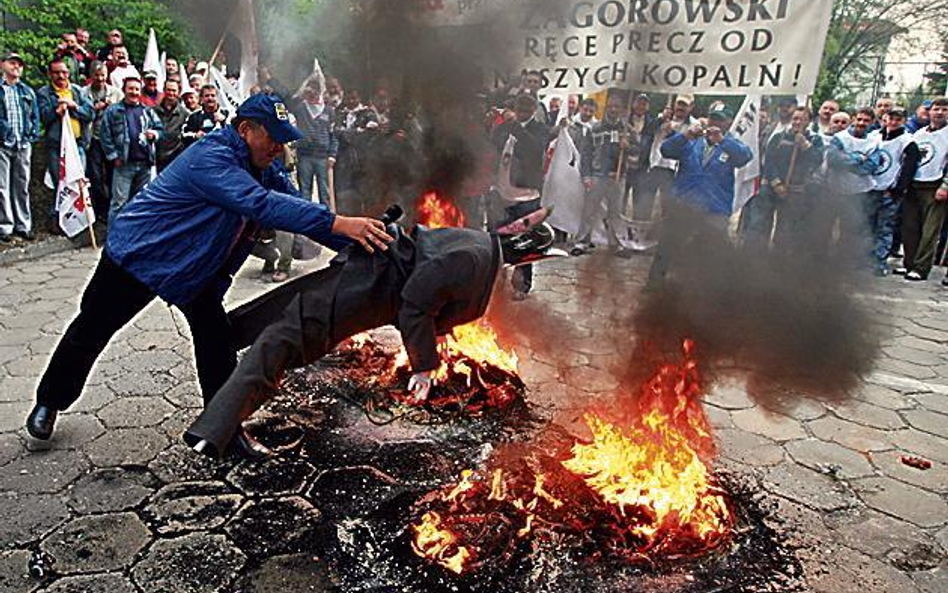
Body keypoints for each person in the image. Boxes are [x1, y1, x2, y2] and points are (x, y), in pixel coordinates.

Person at [24, 94, 393, 458]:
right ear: (247, 130)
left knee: (215, 342)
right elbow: (260, 204)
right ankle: (49, 402)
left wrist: (355, 242)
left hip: (194, 270)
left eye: (285, 139)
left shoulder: (265, 167)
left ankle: (224, 431)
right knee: (91, 330)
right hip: (140, 256)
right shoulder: (211, 157)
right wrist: (340, 222)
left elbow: (298, 207)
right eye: (274, 138)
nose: (280, 148)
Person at [183, 219, 558, 458]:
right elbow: (415, 303)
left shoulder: (479, 244)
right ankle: (213, 433)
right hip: (360, 292)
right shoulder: (474, 259)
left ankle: (220, 338)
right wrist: (425, 366)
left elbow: (430, 288)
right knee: (277, 346)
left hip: (362, 280)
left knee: (278, 315)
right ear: (528, 257)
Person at [647, 104, 753, 286]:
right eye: (713, 118)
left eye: (720, 119)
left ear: (727, 122)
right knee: (667, 244)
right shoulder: (692, 140)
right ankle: (654, 283)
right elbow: (666, 150)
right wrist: (686, 135)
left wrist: (722, 141)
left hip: (715, 207)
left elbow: (745, 157)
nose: (715, 122)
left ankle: (707, 292)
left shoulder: (732, 142)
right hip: (684, 203)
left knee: (713, 252)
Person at [491, 93, 549, 299]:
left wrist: (515, 126)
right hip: (501, 193)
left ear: (534, 109)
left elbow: (533, 151)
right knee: (496, 238)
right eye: (519, 108)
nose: (523, 112)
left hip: (526, 194)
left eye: (527, 109)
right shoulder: (503, 127)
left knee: (524, 240)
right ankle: (496, 278)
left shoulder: (540, 130)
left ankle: (522, 284)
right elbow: (492, 146)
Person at [745, 106, 824, 251]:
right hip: (770, 187)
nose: (798, 122)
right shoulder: (778, 137)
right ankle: (754, 258)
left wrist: (805, 145)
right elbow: (769, 160)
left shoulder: (815, 139)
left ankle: (778, 261)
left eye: (802, 119)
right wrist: (776, 183)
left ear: (809, 122)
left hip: (795, 190)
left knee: (786, 230)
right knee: (759, 224)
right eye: (795, 118)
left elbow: (816, 160)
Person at [819, 107, 882, 267]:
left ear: (872, 122)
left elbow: (871, 166)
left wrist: (849, 161)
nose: (861, 123)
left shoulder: (875, 141)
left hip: (859, 192)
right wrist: (858, 159)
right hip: (834, 189)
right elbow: (834, 160)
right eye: (859, 119)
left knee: (850, 228)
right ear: (854, 119)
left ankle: (842, 263)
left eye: (866, 120)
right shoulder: (840, 138)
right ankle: (820, 260)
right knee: (824, 227)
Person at [575, 93, 635, 256]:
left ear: (622, 110)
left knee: (615, 212)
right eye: (611, 106)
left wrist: (628, 147)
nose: (613, 110)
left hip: (618, 176)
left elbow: (638, 154)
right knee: (589, 211)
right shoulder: (595, 128)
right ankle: (582, 242)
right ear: (606, 107)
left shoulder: (627, 130)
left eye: (617, 107)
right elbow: (586, 154)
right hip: (597, 175)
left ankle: (617, 243)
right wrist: (586, 175)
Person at [100, 77, 163, 223]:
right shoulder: (113, 111)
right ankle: (114, 240)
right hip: (124, 164)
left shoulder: (148, 111)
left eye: (136, 89)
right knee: (118, 204)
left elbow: (160, 129)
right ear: (124, 90)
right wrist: (113, 156)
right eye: (130, 88)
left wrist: (155, 134)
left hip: (145, 164)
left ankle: (134, 239)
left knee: (140, 204)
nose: (134, 92)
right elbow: (105, 135)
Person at [36, 57, 94, 216]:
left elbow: (90, 114)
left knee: (79, 183)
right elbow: (42, 117)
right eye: (56, 73)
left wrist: (75, 107)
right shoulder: (44, 93)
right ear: (50, 74)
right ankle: (58, 219)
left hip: (77, 145)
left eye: (63, 72)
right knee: (60, 184)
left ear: (68, 73)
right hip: (56, 147)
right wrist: (57, 111)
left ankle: (80, 220)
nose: (60, 76)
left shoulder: (78, 91)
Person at [900, 97, 948, 281]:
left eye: (944, 109)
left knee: (930, 231)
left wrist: (945, 186)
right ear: (929, 111)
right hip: (915, 184)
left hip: (935, 186)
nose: (940, 112)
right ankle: (909, 264)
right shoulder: (919, 134)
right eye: (936, 109)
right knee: (910, 227)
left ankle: (921, 267)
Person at [868, 108, 916, 276]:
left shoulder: (907, 141)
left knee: (885, 228)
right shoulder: (874, 136)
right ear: (884, 119)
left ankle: (879, 263)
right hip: (871, 188)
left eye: (898, 119)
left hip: (889, 191)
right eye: (890, 118)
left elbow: (909, 168)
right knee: (867, 227)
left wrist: (897, 190)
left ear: (903, 121)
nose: (893, 122)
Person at [0, 52, 40, 243]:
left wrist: (32, 136)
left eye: (20, 64)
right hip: (2, 145)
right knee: (2, 187)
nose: (17, 67)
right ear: (2, 65)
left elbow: (35, 117)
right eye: (12, 63)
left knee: (22, 186)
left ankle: (24, 226)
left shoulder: (27, 91)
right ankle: (5, 227)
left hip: (23, 144)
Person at [81, 61, 122, 219]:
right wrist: (94, 108)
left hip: (112, 140)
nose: (100, 78)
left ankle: (112, 208)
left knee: (113, 175)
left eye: (103, 75)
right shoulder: (84, 93)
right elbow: (80, 112)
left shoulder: (116, 93)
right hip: (93, 139)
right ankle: (100, 209)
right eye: (97, 75)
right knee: (95, 176)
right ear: (91, 76)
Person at [290, 83, 337, 206]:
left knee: (324, 191)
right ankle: (306, 219)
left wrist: (332, 154)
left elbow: (333, 135)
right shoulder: (300, 108)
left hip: (322, 156)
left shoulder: (329, 111)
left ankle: (325, 219)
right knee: (305, 190)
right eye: (309, 91)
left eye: (315, 91)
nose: (312, 94)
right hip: (304, 155)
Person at [155, 79, 190, 171]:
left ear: (178, 92)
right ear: (164, 90)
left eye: (174, 90)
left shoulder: (185, 114)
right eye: (168, 90)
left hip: (175, 159)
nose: (171, 93)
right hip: (156, 159)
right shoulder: (153, 111)